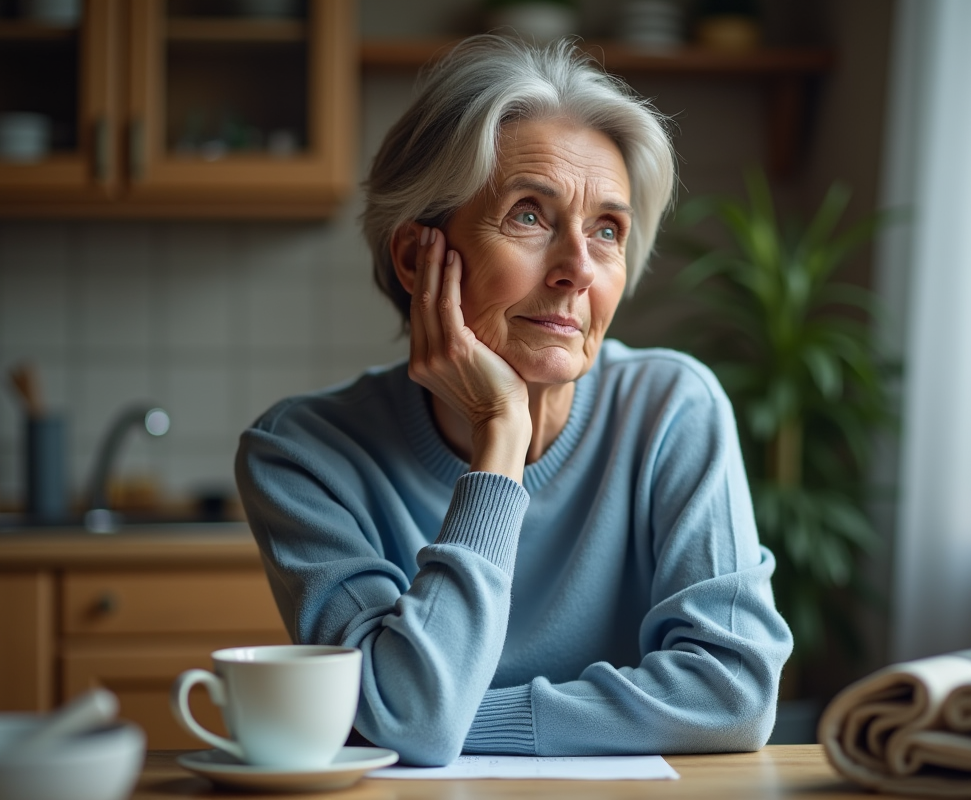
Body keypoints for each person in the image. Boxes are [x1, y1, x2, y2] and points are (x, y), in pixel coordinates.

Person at [235, 34, 792, 767]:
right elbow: (408, 715)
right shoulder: (302, 455)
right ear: (415, 256)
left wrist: (446, 722)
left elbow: (734, 695)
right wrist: (500, 438)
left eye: (607, 231)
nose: (577, 271)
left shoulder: (671, 408)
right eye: (530, 215)